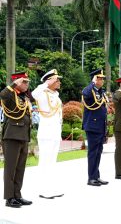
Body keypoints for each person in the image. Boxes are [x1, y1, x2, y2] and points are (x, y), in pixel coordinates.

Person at [0, 72, 33, 208]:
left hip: (23, 136)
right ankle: (9, 198)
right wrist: (13, 84)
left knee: (20, 168)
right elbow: (2, 94)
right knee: (10, 168)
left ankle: (17, 195)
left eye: (27, 82)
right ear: (17, 82)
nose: (26, 84)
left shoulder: (24, 97)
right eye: (24, 82)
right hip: (12, 135)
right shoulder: (10, 95)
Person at [31, 69, 64, 199]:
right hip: (46, 132)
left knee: (52, 161)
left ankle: (51, 187)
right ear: (49, 80)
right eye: (57, 80)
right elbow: (33, 93)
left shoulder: (55, 94)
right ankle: (44, 190)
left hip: (55, 132)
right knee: (45, 161)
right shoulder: (42, 92)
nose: (59, 82)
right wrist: (46, 83)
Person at [82, 69, 109, 186]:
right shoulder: (89, 90)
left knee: (98, 152)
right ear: (95, 79)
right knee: (93, 153)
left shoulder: (100, 91)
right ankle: (91, 178)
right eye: (100, 78)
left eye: (103, 78)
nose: (102, 80)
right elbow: (85, 93)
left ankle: (96, 176)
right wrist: (92, 83)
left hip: (100, 126)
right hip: (92, 126)